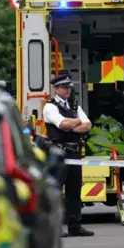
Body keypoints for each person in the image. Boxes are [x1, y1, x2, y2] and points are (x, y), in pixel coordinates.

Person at [43, 72, 95, 237]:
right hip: (59, 152)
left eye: (69, 88)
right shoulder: (50, 107)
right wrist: (75, 122)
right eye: (64, 88)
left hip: (74, 153)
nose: (68, 91)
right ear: (56, 89)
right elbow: (62, 124)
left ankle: (75, 226)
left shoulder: (74, 106)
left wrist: (72, 125)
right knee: (56, 191)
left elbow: (87, 126)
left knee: (74, 191)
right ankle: (56, 228)